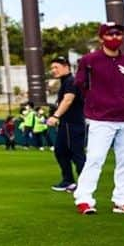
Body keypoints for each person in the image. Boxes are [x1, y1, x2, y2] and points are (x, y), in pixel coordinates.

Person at [71, 21, 124, 215]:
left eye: (118, 34)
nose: (115, 38)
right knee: (95, 158)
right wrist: (95, 102)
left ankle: (122, 200)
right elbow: (80, 85)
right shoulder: (89, 60)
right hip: (101, 118)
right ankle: (84, 199)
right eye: (110, 34)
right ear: (101, 38)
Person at [47, 56, 87, 191]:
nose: (53, 70)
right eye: (52, 68)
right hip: (66, 124)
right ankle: (68, 180)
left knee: (77, 155)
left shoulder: (71, 81)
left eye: (56, 67)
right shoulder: (65, 82)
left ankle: (85, 184)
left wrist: (55, 116)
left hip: (72, 124)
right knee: (60, 151)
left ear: (66, 67)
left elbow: (68, 100)